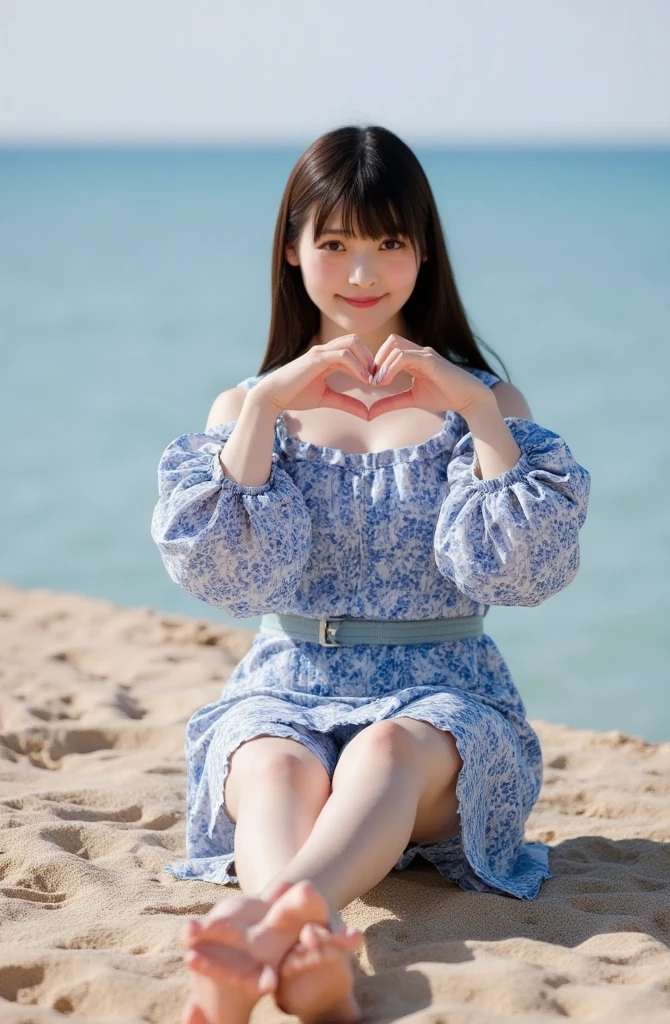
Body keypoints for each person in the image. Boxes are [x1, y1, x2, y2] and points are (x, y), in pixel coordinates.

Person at [150, 124, 591, 1024]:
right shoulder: (247, 404)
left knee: (392, 746)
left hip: (445, 699)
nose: (363, 272)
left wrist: (474, 407)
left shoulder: (486, 401)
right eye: (336, 243)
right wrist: (269, 406)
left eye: (390, 243)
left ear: (423, 252)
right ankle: (311, 965)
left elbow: (523, 573)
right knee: (271, 763)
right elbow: (227, 577)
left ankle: (263, 930)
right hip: (287, 684)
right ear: (293, 249)